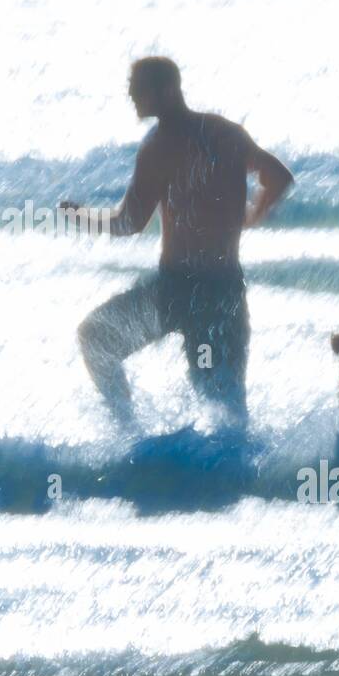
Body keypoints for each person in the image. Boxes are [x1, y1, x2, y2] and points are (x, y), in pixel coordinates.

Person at [60, 57, 293, 429]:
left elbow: (130, 222)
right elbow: (278, 177)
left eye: (139, 87)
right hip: (225, 290)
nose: (131, 95)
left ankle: (128, 433)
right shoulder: (226, 132)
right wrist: (251, 215)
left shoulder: (159, 145)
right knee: (227, 406)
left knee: (96, 336)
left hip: (176, 291)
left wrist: (82, 217)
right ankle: (234, 476)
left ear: (166, 90)